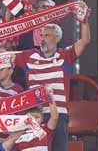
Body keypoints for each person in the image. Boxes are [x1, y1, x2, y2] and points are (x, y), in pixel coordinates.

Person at [17, 15, 92, 151]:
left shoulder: (65, 56)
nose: (42, 39)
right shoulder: (29, 56)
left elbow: (85, 41)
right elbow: (2, 56)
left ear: (57, 38)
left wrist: (84, 21)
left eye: (47, 35)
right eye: (41, 36)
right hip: (35, 115)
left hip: (59, 114)